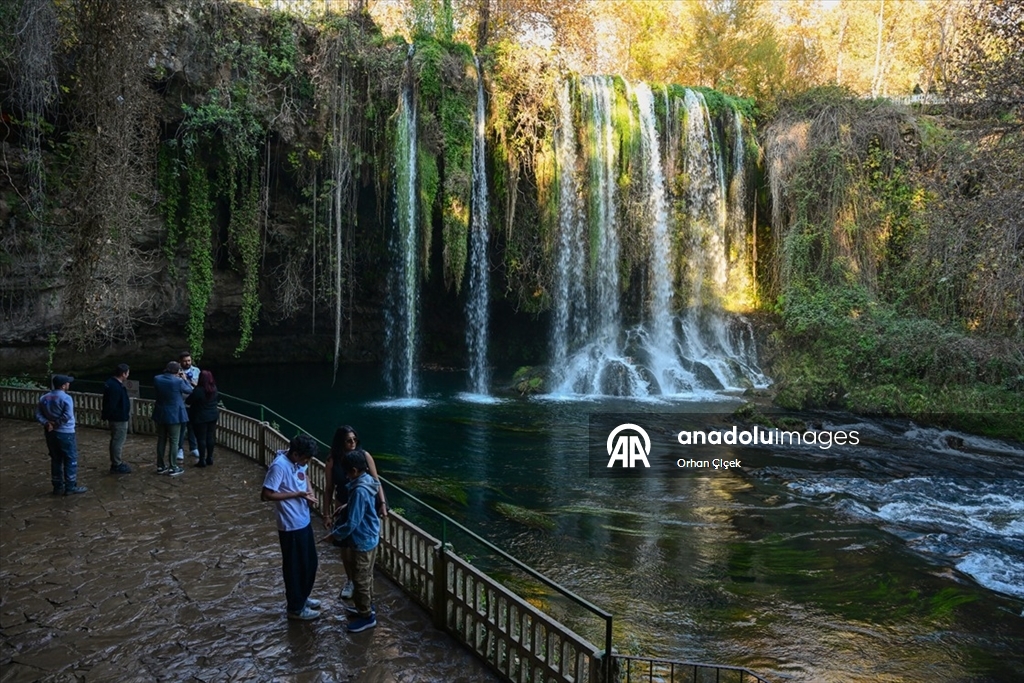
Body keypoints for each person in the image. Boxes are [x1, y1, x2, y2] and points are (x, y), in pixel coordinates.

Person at [323, 426, 388, 601]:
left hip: (361, 503)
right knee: (345, 548)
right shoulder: (332, 460)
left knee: (360, 545)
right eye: (348, 440)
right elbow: (329, 489)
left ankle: (362, 589)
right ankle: (351, 581)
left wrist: (383, 503)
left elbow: (376, 481)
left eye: (354, 439)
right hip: (343, 503)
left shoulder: (364, 456)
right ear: (340, 442)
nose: (353, 443)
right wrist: (326, 514)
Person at [262, 434, 322, 621]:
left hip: (303, 519)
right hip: (290, 524)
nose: (307, 462)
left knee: (309, 563)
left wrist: (309, 492)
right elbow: (266, 494)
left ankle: (302, 597)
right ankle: (295, 608)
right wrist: (297, 494)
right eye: (305, 458)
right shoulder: (279, 466)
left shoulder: (298, 462)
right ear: (295, 454)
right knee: (295, 567)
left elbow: (305, 475)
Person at [330, 448, 380, 633]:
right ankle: (365, 607)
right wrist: (346, 506)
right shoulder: (368, 480)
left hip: (362, 540)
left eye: (347, 472)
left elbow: (352, 523)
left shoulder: (359, 490)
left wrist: (334, 535)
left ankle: (367, 617)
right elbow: (363, 505)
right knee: (367, 576)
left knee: (360, 579)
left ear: (354, 470)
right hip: (371, 536)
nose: (346, 476)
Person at [36, 374, 87, 495]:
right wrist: (57, 424)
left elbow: (38, 414)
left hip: (50, 432)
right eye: (67, 383)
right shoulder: (66, 398)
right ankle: (70, 486)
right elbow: (67, 415)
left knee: (56, 458)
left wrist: (47, 423)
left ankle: (57, 486)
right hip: (65, 432)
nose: (69, 384)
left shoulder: (44, 398)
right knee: (70, 458)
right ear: (63, 386)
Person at [152, 361, 191, 476]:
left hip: (160, 413)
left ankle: (160, 466)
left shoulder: (157, 379)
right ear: (177, 371)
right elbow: (189, 390)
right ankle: (173, 466)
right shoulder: (178, 381)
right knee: (174, 441)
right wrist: (184, 379)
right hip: (175, 414)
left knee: (161, 439)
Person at [101, 363, 132, 474]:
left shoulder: (110, 383)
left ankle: (116, 462)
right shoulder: (115, 387)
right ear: (123, 374)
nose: (128, 375)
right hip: (118, 418)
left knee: (116, 440)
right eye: (127, 373)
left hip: (116, 417)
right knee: (118, 441)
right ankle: (116, 463)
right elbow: (112, 404)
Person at [185, 369, 219, 467]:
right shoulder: (214, 388)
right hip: (213, 415)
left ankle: (202, 460)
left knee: (201, 438)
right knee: (210, 436)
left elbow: (188, 401)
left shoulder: (198, 390)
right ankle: (210, 458)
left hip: (200, 417)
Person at [177, 351, 200, 463]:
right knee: (182, 427)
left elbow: (199, 385)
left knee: (192, 426)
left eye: (189, 361)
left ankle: (193, 447)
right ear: (180, 361)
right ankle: (180, 449)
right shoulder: (176, 371)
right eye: (185, 361)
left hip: (193, 403)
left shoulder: (196, 371)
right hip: (181, 404)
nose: (187, 363)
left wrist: (189, 380)